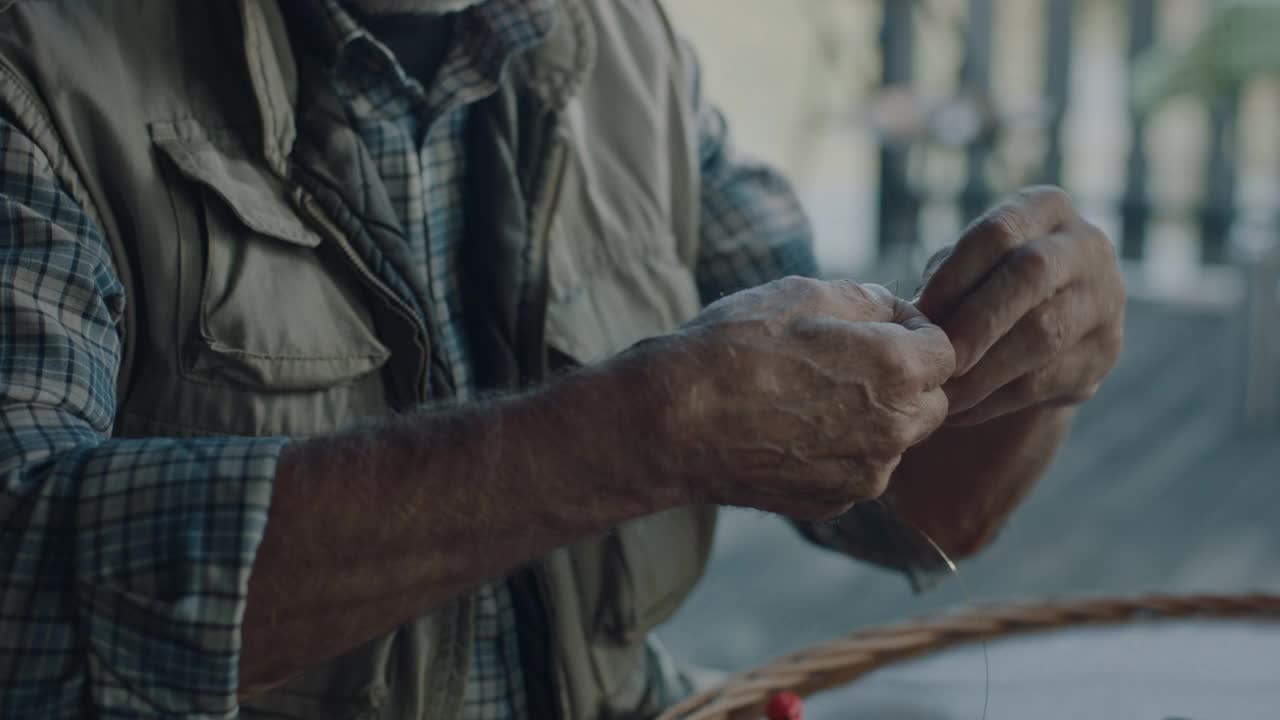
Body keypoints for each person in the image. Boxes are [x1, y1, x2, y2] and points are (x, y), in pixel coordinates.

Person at [0, 1, 1126, 718]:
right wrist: (636, 434)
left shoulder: (625, 51)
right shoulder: (39, 70)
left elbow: (902, 509)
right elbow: (19, 603)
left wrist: (1018, 368)